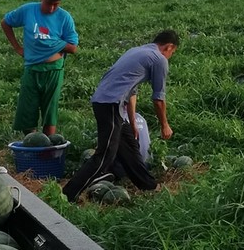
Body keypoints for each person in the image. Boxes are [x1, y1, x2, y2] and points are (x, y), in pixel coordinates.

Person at [62, 30, 180, 201]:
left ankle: (149, 185)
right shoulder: (159, 59)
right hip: (110, 103)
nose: (170, 57)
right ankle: (68, 194)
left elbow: (131, 92)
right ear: (169, 47)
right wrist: (164, 125)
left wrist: (131, 122)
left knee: (129, 148)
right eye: (172, 53)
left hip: (108, 102)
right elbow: (158, 99)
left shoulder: (136, 51)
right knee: (105, 154)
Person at [0, 0, 78, 139]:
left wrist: (54, 44)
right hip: (32, 68)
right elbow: (5, 22)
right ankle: (34, 142)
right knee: (27, 109)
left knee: (50, 110)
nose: (51, 8)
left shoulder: (64, 17)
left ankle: (48, 148)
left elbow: (73, 47)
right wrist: (17, 47)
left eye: (55, 5)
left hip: (54, 70)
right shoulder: (28, 10)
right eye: (48, 3)